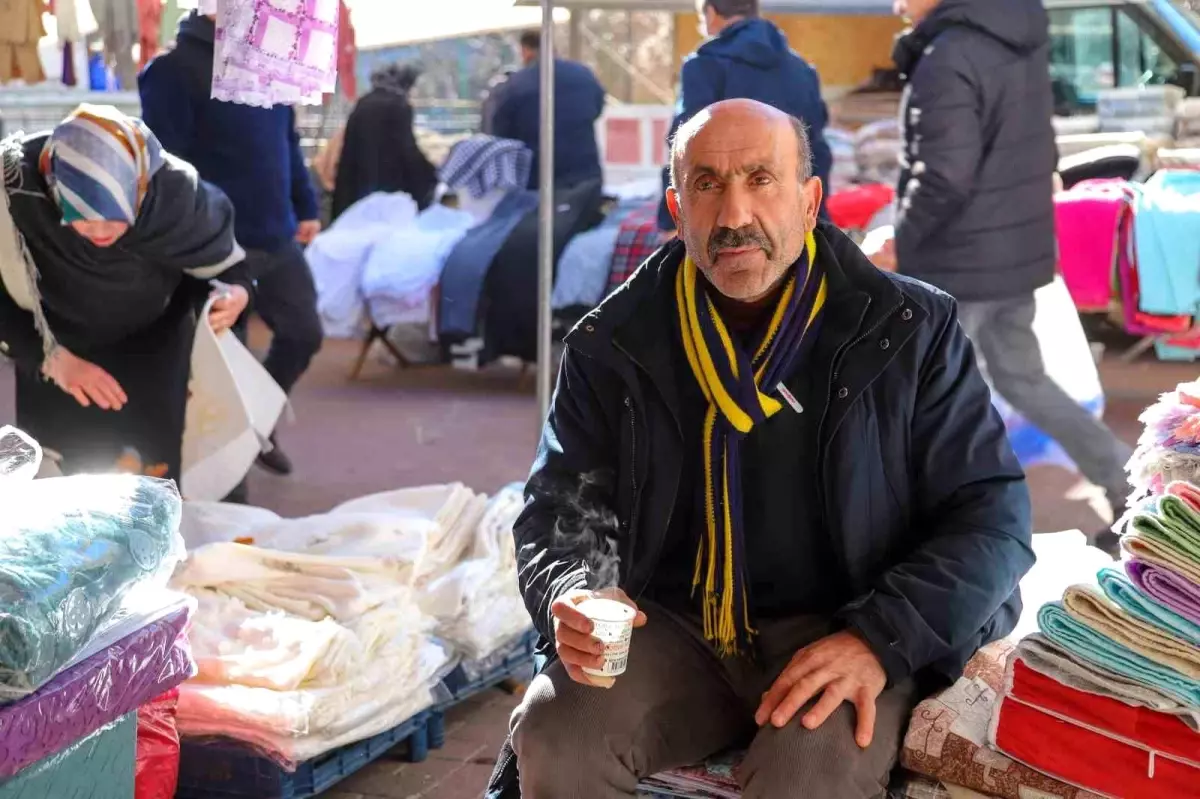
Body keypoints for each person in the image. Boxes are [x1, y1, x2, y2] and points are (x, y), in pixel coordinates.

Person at [486, 99, 1034, 799]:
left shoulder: (907, 329)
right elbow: (559, 504)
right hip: (676, 627)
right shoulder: (614, 341)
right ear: (677, 210)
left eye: (760, 179)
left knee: (809, 771)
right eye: (708, 184)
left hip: (851, 617)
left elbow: (991, 514)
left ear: (810, 202)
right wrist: (578, 591)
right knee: (556, 730)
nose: (735, 212)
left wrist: (877, 639)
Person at [885, 0, 1132, 552]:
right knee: (1023, 381)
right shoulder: (1015, 39)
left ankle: (950, 537)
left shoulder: (948, 54)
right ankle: (1126, 482)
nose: (896, 3)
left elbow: (944, 173)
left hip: (959, 263)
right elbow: (1039, 148)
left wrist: (900, 240)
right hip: (1012, 260)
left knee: (926, 402)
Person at [0, 104, 250, 481]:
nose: (100, 232)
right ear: (54, 192)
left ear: (141, 190)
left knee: (151, 481)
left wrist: (238, 293)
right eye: (81, 216)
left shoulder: (175, 195)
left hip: (154, 348)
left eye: (116, 216)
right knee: (64, 489)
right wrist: (51, 360)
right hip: (55, 349)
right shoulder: (16, 196)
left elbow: (228, 266)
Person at [139, 9, 324, 478]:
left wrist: (306, 204)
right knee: (223, 369)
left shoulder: (268, 62)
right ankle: (227, 483)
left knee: (304, 333)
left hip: (277, 234)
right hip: (217, 245)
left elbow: (288, 142)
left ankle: (258, 424)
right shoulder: (170, 71)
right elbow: (167, 168)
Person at [658, 0, 834, 234]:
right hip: (790, 213)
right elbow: (817, 150)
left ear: (710, 12)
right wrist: (817, 216)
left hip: (728, 216)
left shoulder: (704, 66)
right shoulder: (801, 69)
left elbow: (684, 147)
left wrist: (670, 220)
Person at [491, 30, 606, 191]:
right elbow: (598, 107)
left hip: (539, 176)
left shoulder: (515, 84)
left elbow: (500, 131)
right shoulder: (583, 74)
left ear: (526, 51)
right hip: (586, 171)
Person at [331, 63, 438, 221]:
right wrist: (430, 174)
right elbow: (407, 149)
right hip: (390, 189)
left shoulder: (364, 102)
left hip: (359, 186)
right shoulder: (398, 105)